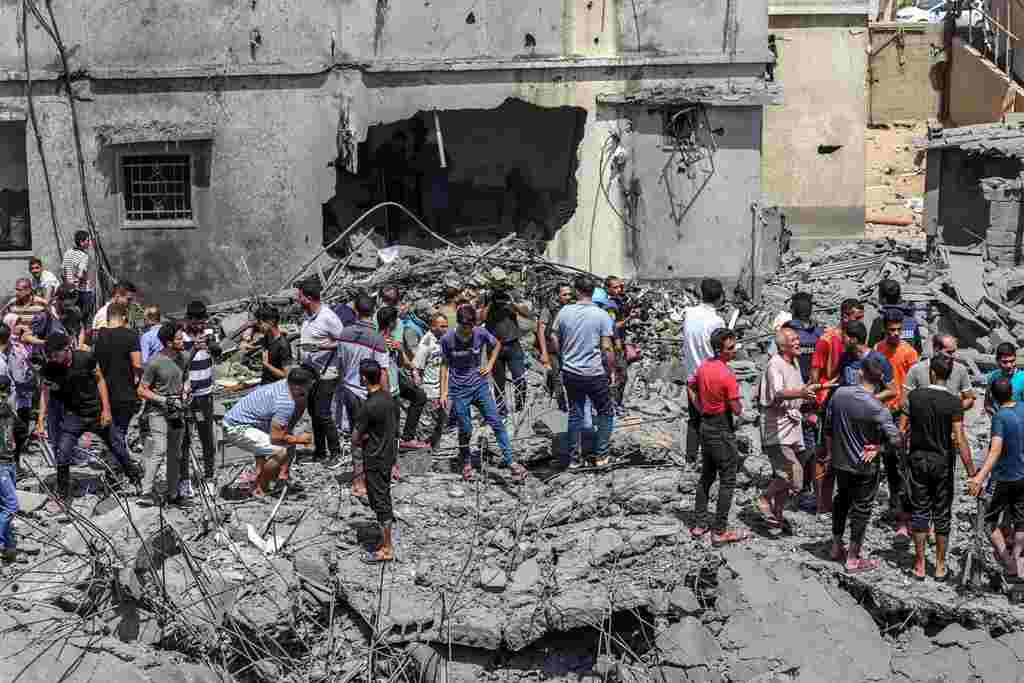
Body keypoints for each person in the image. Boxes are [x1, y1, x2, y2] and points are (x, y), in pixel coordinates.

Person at [35, 332, 141, 510]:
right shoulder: (50, 368)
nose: (53, 359)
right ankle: (63, 495)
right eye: (50, 356)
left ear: (67, 349)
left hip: (96, 413)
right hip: (73, 415)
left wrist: (106, 410)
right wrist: (40, 420)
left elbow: (100, 381)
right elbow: (45, 393)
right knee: (62, 453)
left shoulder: (86, 358)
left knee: (118, 447)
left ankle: (136, 479)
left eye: (55, 354)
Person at [826, 356, 902, 573]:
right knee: (862, 508)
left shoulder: (839, 394)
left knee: (841, 499)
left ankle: (835, 546)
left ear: (860, 372)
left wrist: (832, 454)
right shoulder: (878, 408)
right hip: (864, 466)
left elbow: (829, 428)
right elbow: (897, 440)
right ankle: (852, 558)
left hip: (841, 462)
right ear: (881, 380)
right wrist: (879, 449)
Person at [903, 354, 975, 580]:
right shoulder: (954, 402)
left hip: (917, 460)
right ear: (950, 374)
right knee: (942, 514)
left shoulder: (915, 397)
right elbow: (960, 438)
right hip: (943, 462)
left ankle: (920, 564)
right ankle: (941, 566)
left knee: (920, 510)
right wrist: (972, 471)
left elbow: (903, 428)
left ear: (932, 372)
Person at [440, 305, 526, 481]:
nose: (468, 332)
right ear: (458, 324)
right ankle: (466, 463)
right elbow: (444, 364)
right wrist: (443, 392)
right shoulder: (448, 339)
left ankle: (511, 462)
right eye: (465, 328)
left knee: (496, 422)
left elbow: (496, 344)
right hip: (459, 389)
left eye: (471, 327)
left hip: (479, 386)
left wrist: (490, 365)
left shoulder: (480, 333)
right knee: (466, 428)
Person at [688, 328, 747, 545]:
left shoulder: (704, 367)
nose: (734, 351)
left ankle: (699, 524)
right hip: (721, 428)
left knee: (707, 475)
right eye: (730, 348)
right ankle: (720, 530)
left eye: (734, 346)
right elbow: (737, 408)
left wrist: (699, 406)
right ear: (718, 349)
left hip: (705, 425)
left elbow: (690, 385)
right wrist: (744, 410)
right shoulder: (726, 375)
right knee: (728, 479)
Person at [756, 328, 818, 527]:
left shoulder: (795, 363)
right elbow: (778, 393)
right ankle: (764, 498)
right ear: (782, 346)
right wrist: (802, 393)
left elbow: (796, 390)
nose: (798, 342)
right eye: (793, 340)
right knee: (794, 474)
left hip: (792, 428)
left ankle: (778, 515)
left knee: (785, 475)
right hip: (778, 429)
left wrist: (809, 390)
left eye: (798, 338)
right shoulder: (775, 364)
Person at [553, 276, 616, 469]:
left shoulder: (564, 311)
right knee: (605, 412)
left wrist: (563, 355)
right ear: (592, 291)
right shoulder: (601, 315)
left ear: (577, 291)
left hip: (571, 372)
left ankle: (574, 459)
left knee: (575, 414)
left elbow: (553, 337)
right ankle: (602, 456)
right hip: (595, 373)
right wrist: (611, 370)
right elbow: (607, 348)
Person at [222, 367, 315, 496]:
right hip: (238, 427)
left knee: (281, 444)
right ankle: (260, 487)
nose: (310, 389)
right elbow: (277, 438)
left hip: (249, 422)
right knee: (280, 452)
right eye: (309, 387)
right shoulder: (285, 402)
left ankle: (268, 478)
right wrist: (300, 440)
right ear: (298, 387)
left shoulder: (285, 384)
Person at [968, 377, 1024, 577]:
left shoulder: (1000, 417)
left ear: (991, 395)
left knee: (989, 522)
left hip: (1004, 477)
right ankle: (1018, 561)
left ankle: (1008, 562)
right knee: (1021, 520)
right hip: (1023, 474)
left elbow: (995, 450)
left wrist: (979, 477)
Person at [337, 293, 391, 492]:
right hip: (369, 393)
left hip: (350, 391)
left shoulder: (344, 333)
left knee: (356, 435)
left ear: (356, 311)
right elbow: (383, 372)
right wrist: (386, 398)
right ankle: (365, 481)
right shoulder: (376, 338)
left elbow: (341, 366)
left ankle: (359, 479)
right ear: (374, 311)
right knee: (372, 437)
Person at [875, 307, 920, 539]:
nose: (895, 333)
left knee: (905, 463)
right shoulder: (878, 350)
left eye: (898, 330)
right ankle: (895, 505)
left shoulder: (910, 353)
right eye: (891, 330)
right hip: (884, 413)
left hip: (904, 414)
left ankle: (907, 510)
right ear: (884, 330)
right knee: (889, 462)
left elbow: (916, 386)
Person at [137, 323, 190, 505]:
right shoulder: (155, 362)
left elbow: (185, 377)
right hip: (158, 413)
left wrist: (185, 390)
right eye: (178, 338)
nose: (182, 341)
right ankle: (146, 491)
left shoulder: (183, 357)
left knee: (176, 453)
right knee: (160, 449)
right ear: (168, 343)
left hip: (177, 412)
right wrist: (164, 400)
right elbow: (142, 391)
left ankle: (173, 492)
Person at [352, 359, 398, 562]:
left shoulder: (368, 406)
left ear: (363, 378)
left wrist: (364, 437)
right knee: (383, 497)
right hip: (388, 456)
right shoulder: (389, 399)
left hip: (374, 458)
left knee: (380, 503)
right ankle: (384, 539)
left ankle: (386, 548)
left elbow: (355, 438)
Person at [91, 303, 142, 483]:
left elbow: (95, 366)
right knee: (119, 433)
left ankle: (115, 471)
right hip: (125, 392)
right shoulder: (131, 336)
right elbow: (137, 365)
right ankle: (119, 473)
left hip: (104, 393)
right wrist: (139, 382)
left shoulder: (99, 337)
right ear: (124, 316)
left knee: (112, 433)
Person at [296, 280, 344, 464]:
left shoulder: (328, 317)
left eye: (299, 296)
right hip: (311, 372)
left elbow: (344, 341)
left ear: (308, 298)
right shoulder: (309, 315)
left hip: (327, 373)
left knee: (323, 413)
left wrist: (322, 346)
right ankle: (320, 451)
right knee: (314, 412)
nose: (297, 299)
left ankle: (336, 452)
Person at [682, 278, 726, 467]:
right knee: (714, 420)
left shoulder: (689, 313)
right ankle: (713, 460)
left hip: (691, 375)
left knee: (694, 419)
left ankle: (690, 459)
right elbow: (721, 349)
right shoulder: (716, 321)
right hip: (710, 377)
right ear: (720, 297)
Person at [181, 300, 221, 492]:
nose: (200, 326)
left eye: (202, 322)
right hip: (187, 397)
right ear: (188, 320)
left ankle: (209, 477)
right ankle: (184, 480)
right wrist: (194, 348)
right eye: (196, 323)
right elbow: (180, 363)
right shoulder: (180, 336)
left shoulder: (209, 332)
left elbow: (218, 353)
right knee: (185, 439)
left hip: (205, 395)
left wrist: (210, 345)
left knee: (206, 437)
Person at [377, 305, 428, 451]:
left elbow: (402, 362)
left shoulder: (392, 340)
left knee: (419, 396)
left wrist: (400, 351)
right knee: (393, 422)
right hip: (387, 385)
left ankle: (407, 438)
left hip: (395, 378)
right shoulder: (378, 341)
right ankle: (391, 454)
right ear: (392, 323)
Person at [482, 288, 531, 418]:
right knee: (499, 382)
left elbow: (526, 313)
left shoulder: (511, 295)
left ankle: (520, 408)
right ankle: (502, 411)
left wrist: (512, 302)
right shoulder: (487, 296)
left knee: (520, 377)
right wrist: (490, 303)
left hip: (513, 344)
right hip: (493, 347)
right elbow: (480, 318)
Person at [904, 333, 975, 412]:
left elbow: (969, 398)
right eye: (949, 352)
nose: (953, 356)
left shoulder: (960, 370)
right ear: (936, 350)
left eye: (954, 351)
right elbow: (905, 401)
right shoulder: (917, 370)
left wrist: (954, 410)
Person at [412, 312, 449, 450]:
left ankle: (435, 451)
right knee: (427, 425)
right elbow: (416, 368)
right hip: (430, 391)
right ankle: (423, 453)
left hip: (443, 389)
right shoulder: (426, 343)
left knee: (440, 422)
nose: (446, 329)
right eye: (442, 326)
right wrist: (420, 389)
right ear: (433, 327)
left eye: (446, 326)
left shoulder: (445, 340)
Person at [836, 320, 895, 400]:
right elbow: (841, 381)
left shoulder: (879, 360)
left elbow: (892, 391)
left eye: (843, 337)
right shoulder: (845, 357)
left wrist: (869, 400)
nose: (841, 341)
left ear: (853, 339)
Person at [537, 283, 573, 411]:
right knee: (557, 377)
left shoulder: (572, 308)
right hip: (552, 349)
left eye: (570, 294)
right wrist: (544, 352)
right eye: (565, 294)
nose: (568, 297)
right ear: (557, 295)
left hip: (568, 348)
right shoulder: (548, 310)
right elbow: (541, 331)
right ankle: (562, 407)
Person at [867, 279, 922, 353]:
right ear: (899, 296)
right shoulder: (912, 321)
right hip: (908, 362)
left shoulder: (879, 322)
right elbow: (918, 349)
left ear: (883, 299)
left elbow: (871, 350)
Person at [605, 276, 632, 413]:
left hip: (619, 343)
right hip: (613, 345)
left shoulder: (619, 303)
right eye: (615, 287)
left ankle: (616, 404)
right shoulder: (610, 305)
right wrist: (629, 319)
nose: (619, 290)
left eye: (620, 287)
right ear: (608, 289)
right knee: (619, 375)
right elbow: (612, 326)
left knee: (620, 375)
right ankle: (613, 404)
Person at [0, 389, 20, 563]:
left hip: (10, 462)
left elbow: (18, 431)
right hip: (1, 466)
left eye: (5, 392)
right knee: (12, 505)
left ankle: (9, 547)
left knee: (4, 507)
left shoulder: (8, 411)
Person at [61, 230, 95, 326]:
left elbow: (63, 272)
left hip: (69, 291)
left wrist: (68, 285)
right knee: (84, 319)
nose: (89, 243)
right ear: (81, 242)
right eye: (87, 241)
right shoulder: (84, 256)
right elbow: (81, 274)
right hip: (83, 291)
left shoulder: (67, 253)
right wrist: (77, 285)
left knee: (72, 318)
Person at [985, 343, 1024, 414]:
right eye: (1005, 362)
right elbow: (987, 403)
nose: (1009, 365)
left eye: (1012, 361)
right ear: (997, 361)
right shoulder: (993, 376)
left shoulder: (1022, 378)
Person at [257, 306, 292, 385]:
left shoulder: (283, 345)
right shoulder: (267, 338)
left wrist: (267, 365)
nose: (259, 326)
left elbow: (286, 375)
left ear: (271, 322)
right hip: (264, 383)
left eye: (260, 323)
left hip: (276, 386)